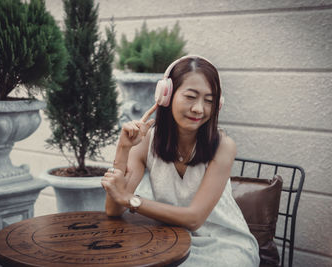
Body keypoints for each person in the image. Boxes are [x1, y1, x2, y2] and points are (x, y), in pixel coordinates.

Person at [101, 55, 260, 266]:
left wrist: (130, 199)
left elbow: (194, 219)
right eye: (191, 96)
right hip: (169, 241)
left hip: (225, 245)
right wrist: (123, 149)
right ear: (166, 96)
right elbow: (114, 209)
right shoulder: (145, 141)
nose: (199, 109)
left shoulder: (223, 146)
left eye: (209, 101)